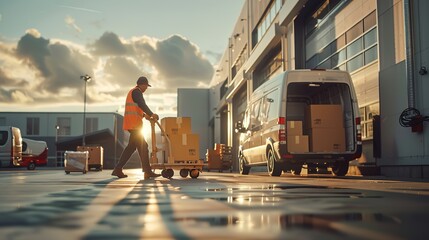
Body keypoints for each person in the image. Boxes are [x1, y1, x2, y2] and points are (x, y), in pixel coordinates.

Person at [111, 76, 161, 179]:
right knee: (144, 146)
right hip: (134, 125)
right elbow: (142, 104)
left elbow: (137, 108)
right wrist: (151, 114)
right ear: (142, 84)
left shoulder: (134, 93)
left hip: (133, 125)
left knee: (132, 147)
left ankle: (118, 169)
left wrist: (145, 116)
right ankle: (147, 172)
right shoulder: (136, 92)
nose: (146, 88)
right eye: (146, 86)